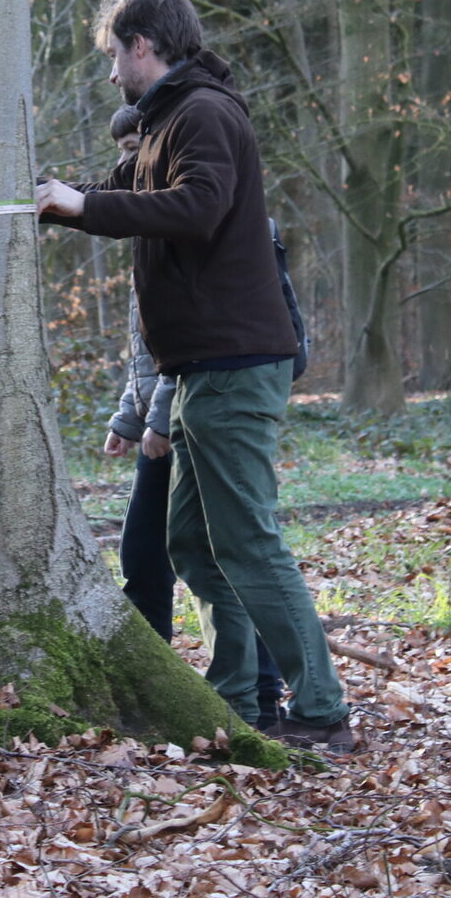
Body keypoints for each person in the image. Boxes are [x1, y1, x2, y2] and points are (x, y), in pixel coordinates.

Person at [37, 0, 355, 751]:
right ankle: (238, 700)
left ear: (144, 45)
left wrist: (83, 205)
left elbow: (198, 206)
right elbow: (115, 196)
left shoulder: (204, 113)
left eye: (115, 55)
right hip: (198, 368)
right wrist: (54, 202)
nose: (111, 72)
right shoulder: (164, 122)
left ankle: (321, 708)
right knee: (192, 539)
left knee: (247, 539)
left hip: (235, 362)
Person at [101, 103, 289, 729]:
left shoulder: (214, 224)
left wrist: (157, 421)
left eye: (136, 149)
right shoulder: (152, 226)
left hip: (205, 406)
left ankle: (260, 694)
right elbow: (147, 344)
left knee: (227, 552)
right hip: (167, 415)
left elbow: (197, 338)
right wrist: (129, 417)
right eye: (123, 151)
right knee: (148, 554)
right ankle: (160, 682)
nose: (129, 164)